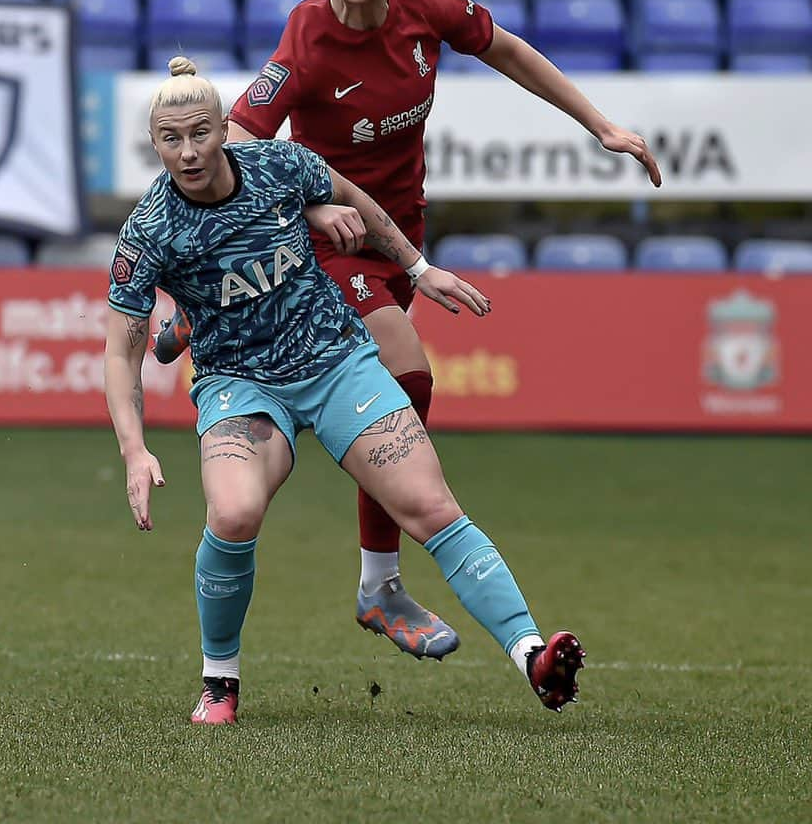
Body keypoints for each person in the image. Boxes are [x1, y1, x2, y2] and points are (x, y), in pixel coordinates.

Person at [154, 0, 663, 661]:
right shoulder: (307, 35)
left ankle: (377, 583)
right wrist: (312, 203)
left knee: (411, 387)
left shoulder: (427, 8)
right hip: (321, 238)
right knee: (403, 367)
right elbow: (243, 140)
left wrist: (599, 125)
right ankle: (381, 586)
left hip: (397, 232)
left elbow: (510, 51)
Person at [105, 56, 585, 725]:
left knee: (428, 505)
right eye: (170, 139)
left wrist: (416, 270)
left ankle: (531, 653)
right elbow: (120, 349)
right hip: (240, 385)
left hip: (334, 360)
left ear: (223, 130)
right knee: (234, 513)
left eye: (200, 134)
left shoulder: (278, 165)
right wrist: (133, 449)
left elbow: (351, 194)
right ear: (154, 143)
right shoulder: (149, 230)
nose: (187, 152)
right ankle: (220, 680)